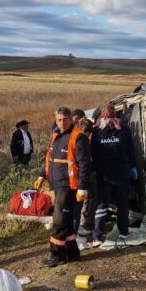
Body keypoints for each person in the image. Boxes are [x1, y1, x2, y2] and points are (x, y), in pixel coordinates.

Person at [35, 107, 91, 267]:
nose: (62, 123)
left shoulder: (78, 137)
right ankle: (73, 253)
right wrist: (42, 175)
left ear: (70, 119)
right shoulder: (56, 135)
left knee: (59, 222)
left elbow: (84, 165)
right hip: (57, 185)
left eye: (65, 119)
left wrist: (82, 188)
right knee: (65, 222)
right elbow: (50, 158)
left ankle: (57, 256)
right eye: (59, 120)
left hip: (69, 187)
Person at [91, 104, 137, 247]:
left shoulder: (97, 130)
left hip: (105, 174)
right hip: (120, 173)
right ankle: (124, 232)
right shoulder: (123, 128)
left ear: (101, 115)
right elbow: (131, 150)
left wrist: (96, 169)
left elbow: (93, 154)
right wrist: (133, 166)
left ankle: (97, 236)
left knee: (103, 204)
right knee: (122, 203)